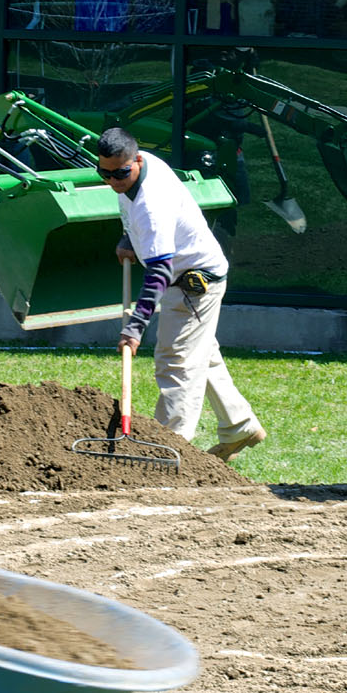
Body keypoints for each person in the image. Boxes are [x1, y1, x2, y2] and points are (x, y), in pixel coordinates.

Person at [96, 127, 268, 462]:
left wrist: (134, 328)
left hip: (192, 283)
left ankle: (170, 450)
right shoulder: (134, 172)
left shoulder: (150, 202)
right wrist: (130, 238)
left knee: (175, 361)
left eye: (119, 173)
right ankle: (239, 425)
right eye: (104, 173)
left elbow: (159, 270)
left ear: (137, 160)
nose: (113, 181)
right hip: (188, 272)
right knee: (200, 354)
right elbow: (133, 217)